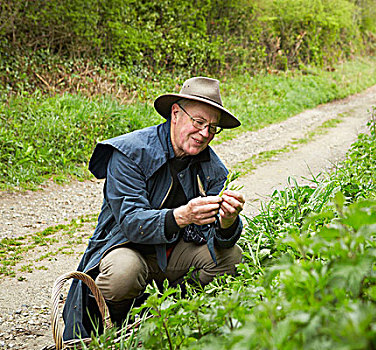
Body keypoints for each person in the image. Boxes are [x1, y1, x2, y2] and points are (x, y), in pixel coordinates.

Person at [62, 77, 245, 341]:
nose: (205, 134)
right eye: (198, 122)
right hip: (126, 247)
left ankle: (172, 314)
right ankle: (116, 325)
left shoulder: (212, 167)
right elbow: (131, 221)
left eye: (212, 127)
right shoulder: (130, 152)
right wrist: (183, 215)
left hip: (170, 255)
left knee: (231, 258)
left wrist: (227, 222)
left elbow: (219, 239)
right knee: (123, 275)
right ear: (175, 114)